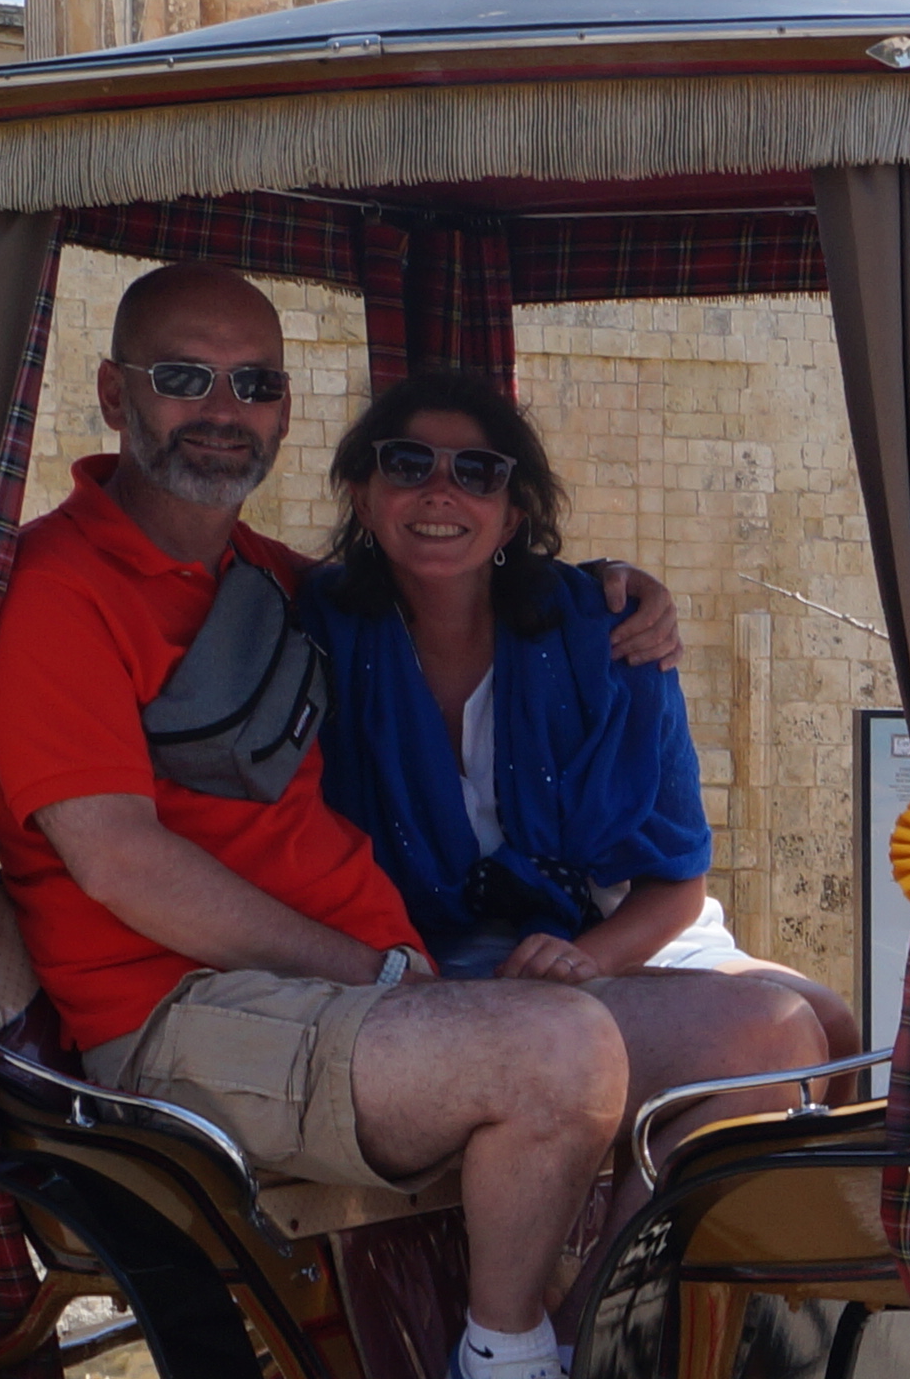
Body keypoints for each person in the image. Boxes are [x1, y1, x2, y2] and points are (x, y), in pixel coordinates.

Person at [0, 262, 691, 1379]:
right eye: (184, 378)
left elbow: (439, 575)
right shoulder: (58, 590)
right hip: (187, 1017)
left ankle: (626, 1343)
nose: (221, 409)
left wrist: (611, 599)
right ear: (112, 393)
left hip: (346, 998)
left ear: (285, 413)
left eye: (253, 385)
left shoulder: (267, 580)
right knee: (555, 1055)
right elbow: (120, 859)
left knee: (779, 1047)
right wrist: (374, 970)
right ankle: (503, 1363)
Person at [300, 368, 861, 1119]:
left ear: (512, 514)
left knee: (835, 1029)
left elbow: (674, 881)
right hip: (427, 940)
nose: (441, 490)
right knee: (772, 1034)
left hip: (617, 928)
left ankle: (672, 1223)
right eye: (407, 464)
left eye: (477, 472)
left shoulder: (610, 635)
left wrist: (585, 961)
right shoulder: (314, 633)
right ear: (364, 498)